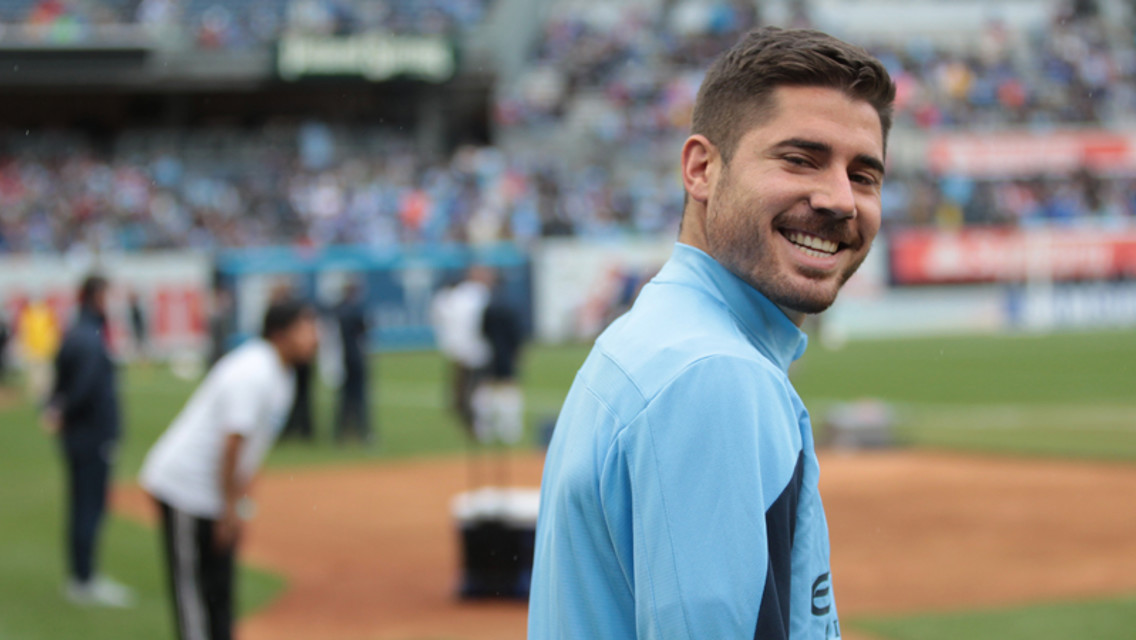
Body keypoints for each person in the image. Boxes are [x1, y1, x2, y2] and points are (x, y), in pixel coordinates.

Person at [528, 26, 895, 639]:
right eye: (800, 159)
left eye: (864, 175)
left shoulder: (658, 333)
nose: (840, 200)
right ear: (701, 169)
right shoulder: (714, 373)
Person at [140, 298, 319, 640]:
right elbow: (232, 445)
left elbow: (252, 451)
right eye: (306, 327)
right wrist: (228, 511)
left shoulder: (282, 374)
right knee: (194, 595)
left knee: (220, 590)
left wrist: (238, 509)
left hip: (215, 495)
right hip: (185, 491)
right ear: (280, 333)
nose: (314, 336)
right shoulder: (254, 371)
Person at [44, 274, 135, 607]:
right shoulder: (91, 337)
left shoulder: (75, 332)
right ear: (98, 297)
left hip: (77, 436)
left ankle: (81, 577)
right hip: (92, 436)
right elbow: (84, 387)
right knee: (90, 507)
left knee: (81, 504)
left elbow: (60, 380)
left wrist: (55, 408)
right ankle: (85, 579)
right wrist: (63, 408)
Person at [429, 267, 493, 436]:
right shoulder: (477, 294)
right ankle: (477, 422)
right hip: (476, 349)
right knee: (477, 388)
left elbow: (439, 317)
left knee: (465, 387)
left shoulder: (455, 296)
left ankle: (470, 417)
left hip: (459, 349)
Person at [471, 274, 525, 447]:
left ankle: (483, 426)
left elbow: (482, 331)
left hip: (489, 353)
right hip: (507, 353)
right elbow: (517, 335)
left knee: (486, 386)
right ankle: (510, 429)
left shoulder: (488, 307)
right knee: (508, 388)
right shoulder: (510, 307)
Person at [334, 279, 373, 444]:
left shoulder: (339, 309)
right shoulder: (355, 310)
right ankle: (361, 430)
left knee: (344, 398)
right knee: (358, 397)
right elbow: (364, 329)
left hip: (342, 359)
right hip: (355, 359)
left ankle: (342, 431)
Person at [19, 295, 60, 402]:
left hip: (43, 349)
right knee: (37, 375)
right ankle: (38, 396)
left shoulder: (45, 313)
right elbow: (25, 331)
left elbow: (53, 331)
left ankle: (43, 395)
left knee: (44, 375)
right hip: (36, 349)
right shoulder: (29, 314)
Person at [128, 290, 148, 362]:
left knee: (141, 347)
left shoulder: (137, 309)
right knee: (137, 347)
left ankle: (142, 360)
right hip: (135, 331)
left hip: (138, 330)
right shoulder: (132, 309)